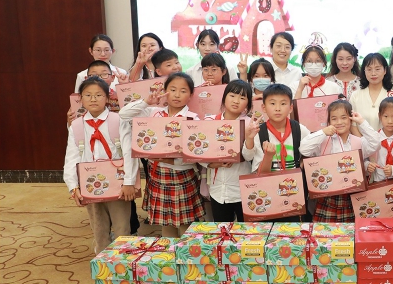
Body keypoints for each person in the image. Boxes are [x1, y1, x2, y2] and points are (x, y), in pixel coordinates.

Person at [119, 72, 204, 237]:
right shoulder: (154, 113)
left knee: (185, 225)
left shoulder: (192, 119)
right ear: (165, 91)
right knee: (166, 223)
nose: (177, 95)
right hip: (157, 174)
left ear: (191, 95)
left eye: (183, 91)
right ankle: (169, 252)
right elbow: (124, 114)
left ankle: (186, 252)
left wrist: (171, 160)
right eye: (172, 89)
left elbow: (195, 155)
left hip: (182, 175)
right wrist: (146, 102)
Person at [63, 77, 137, 253]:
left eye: (98, 95)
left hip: (118, 184)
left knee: (122, 227)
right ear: (80, 99)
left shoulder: (118, 120)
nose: (93, 99)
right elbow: (71, 157)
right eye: (88, 95)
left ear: (107, 98)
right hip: (90, 184)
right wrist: (73, 186)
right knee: (99, 228)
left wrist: (129, 182)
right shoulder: (76, 125)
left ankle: (123, 260)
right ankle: (103, 261)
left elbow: (129, 153)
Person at [300, 100, 380, 222]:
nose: (339, 122)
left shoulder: (358, 142)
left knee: (349, 232)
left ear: (350, 119)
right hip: (327, 198)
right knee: (324, 231)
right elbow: (304, 149)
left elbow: (376, 143)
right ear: (329, 122)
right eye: (334, 119)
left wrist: (361, 122)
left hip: (351, 197)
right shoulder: (323, 141)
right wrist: (323, 132)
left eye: (343, 118)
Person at [242, 84, 312, 222]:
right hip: (267, 191)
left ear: (291, 107)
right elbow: (249, 158)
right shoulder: (259, 132)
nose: (278, 108)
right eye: (272, 103)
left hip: (294, 191)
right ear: (263, 107)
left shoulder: (300, 129)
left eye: (283, 103)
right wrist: (250, 139)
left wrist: (304, 162)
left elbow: (311, 151)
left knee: (294, 227)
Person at [201, 80, 254, 223]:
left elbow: (249, 156)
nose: (236, 101)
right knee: (222, 228)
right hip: (218, 189)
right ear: (224, 97)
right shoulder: (210, 121)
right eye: (232, 95)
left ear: (248, 104)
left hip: (241, 188)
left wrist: (249, 138)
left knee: (245, 229)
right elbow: (199, 152)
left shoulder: (249, 124)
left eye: (242, 98)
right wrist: (211, 164)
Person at [349, 53, 393, 132]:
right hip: (360, 139)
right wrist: (363, 139)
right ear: (364, 71)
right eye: (369, 69)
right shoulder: (355, 95)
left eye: (377, 69)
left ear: (385, 70)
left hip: (386, 139)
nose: (373, 73)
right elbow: (352, 125)